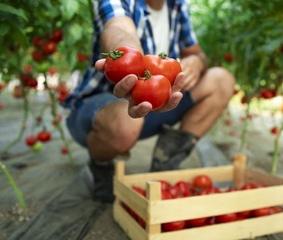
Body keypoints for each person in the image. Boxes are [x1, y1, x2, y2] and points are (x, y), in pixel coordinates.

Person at [61, 0, 235, 203]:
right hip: (99, 110)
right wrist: (128, 60)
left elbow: (195, 52)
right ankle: (100, 166)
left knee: (221, 80)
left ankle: (166, 161)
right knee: (125, 123)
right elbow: (119, 28)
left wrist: (197, 61)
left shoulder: (177, 5)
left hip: (154, 101)